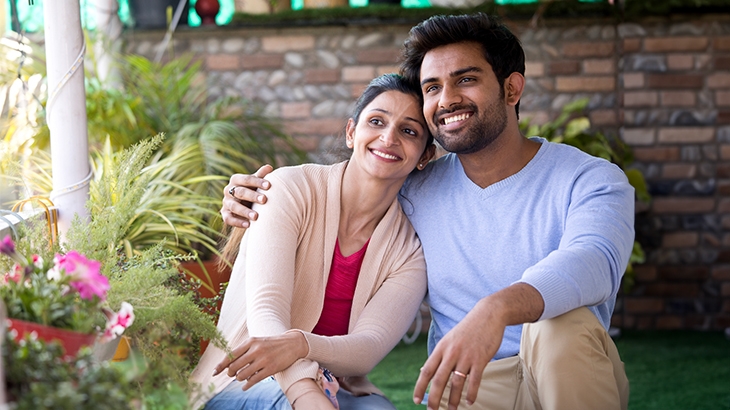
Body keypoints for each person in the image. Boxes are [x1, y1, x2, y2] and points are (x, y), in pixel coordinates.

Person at [221, 13, 634, 410]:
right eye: (432, 87)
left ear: (512, 89)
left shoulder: (591, 178)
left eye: (466, 80)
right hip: (469, 386)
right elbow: (350, 187)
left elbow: (593, 260)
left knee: (561, 324)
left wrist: (497, 309)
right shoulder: (416, 186)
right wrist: (249, 196)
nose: (447, 99)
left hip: (564, 373)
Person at [191, 74, 436, 410]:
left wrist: (301, 346)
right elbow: (267, 312)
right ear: (352, 132)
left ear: (424, 156)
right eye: (376, 121)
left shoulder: (409, 251)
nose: (389, 137)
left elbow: (367, 347)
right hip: (240, 381)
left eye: (409, 131)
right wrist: (306, 394)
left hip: (335, 384)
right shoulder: (290, 188)